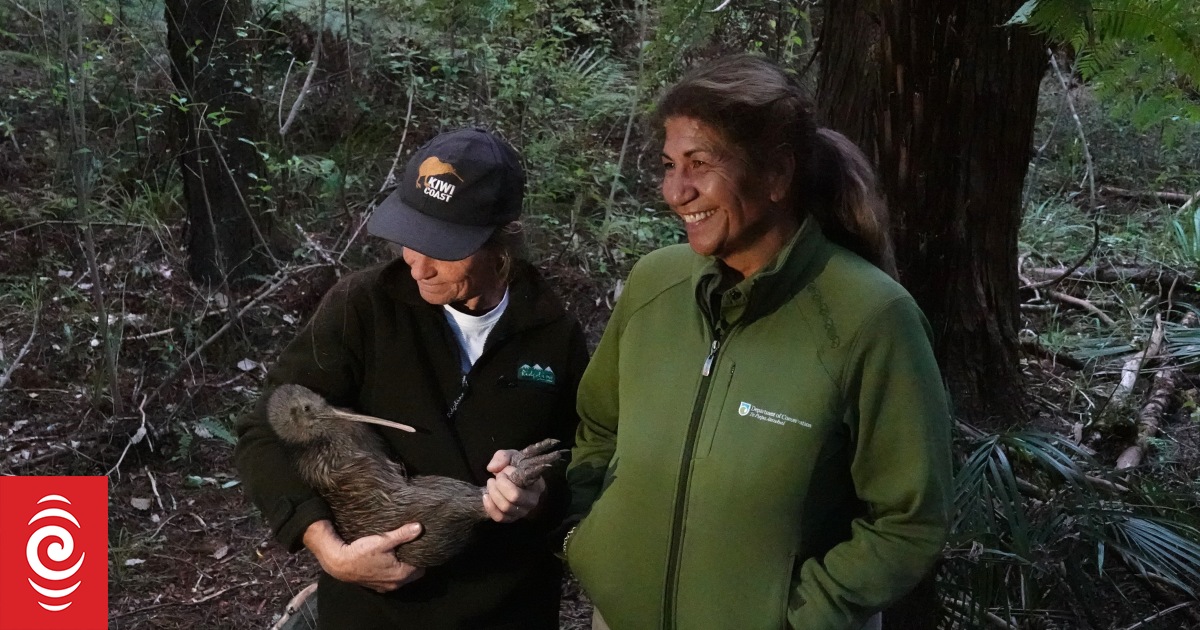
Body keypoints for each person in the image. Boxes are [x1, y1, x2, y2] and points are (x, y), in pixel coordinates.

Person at [562, 55, 952, 630]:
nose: (677, 191)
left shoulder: (871, 317)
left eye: (700, 164)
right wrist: (585, 535)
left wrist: (798, 617)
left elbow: (909, 518)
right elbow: (598, 427)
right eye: (669, 165)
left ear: (776, 175)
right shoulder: (654, 284)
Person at [235, 127, 589, 630]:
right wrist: (331, 551)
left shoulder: (553, 334)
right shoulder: (365, 308)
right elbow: (264, 433)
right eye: (411, 237)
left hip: (506, 609)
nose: (418, 265)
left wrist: (535, 496)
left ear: (502, 242)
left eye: (443, 247)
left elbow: (583, 465)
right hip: (372, 614)